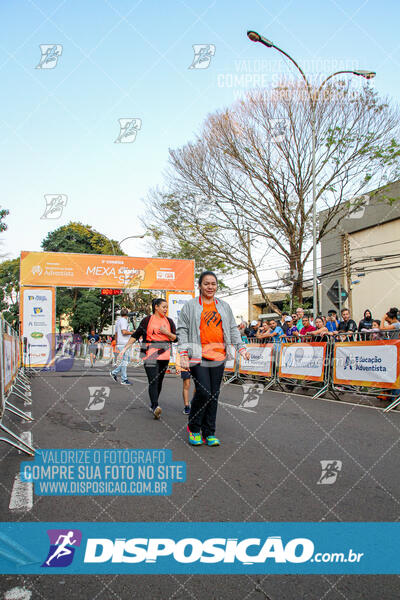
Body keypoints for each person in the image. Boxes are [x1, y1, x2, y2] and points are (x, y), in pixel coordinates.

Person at [177, 271, 250, 446]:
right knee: (204, 392)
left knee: (214, 395)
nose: (210, 287)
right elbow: (182, 330)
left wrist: (241, 347)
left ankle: (209, 432)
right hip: (197, 355)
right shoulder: (191, 306)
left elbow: (233, 329)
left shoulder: (224, 306)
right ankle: (194, 428)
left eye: (213, 284)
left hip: (219, 356)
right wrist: (184, 353)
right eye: (206, 284)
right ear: (200, 286)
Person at [119, 299, 177, 418]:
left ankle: (153, 403)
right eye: (163, 307)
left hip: (164, 353)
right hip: (150, 352)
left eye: (166, 307)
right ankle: (155, 406)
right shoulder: (147, 320)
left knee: (159, 380)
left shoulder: (169, 321)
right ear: (156, 307)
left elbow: (175, 338)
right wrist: (124, 349)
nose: (166, 309)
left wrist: (166, 332)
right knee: (153, 379)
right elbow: (136, 335)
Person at [378, 308, 400, 401]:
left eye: (388, 321)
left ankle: (395, 395)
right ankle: (389, 393)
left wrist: (383, 319)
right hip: (393, 350)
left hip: (396, 350)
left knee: (395, 373)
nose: (388, 323)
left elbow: (381, 329)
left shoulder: (397, 324)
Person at [110, 308, 133, 385]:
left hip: (120, 342)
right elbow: (124, 332)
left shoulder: (118, 321)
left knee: (125, 361)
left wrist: (116, 343)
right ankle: (124, 379)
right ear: (127, 315)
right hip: (124, 343)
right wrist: (132, 333)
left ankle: (114, 372)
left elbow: (116, 333)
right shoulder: (124, 321)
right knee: (125, 361)